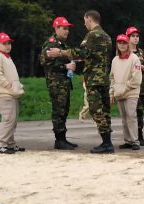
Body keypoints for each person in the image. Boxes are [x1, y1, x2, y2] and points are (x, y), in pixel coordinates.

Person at [47, 10, 114, 154]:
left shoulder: (92, 35)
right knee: (105, 110)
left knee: (96, 110)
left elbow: (82, 53)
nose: (84, 23)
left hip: (94, 79)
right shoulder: (107, 36)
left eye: (85, 20)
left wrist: (60, 53)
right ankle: (108, 141)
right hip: (104, 78)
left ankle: (106, 143)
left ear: (89, 19)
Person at [39, 17, 77, 150]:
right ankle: (59, 140)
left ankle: (63, 139)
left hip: (64, 82)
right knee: (59, 110)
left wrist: (70, 65)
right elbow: (45, 62)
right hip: (56, 83)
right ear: (56, 28)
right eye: (64, 28)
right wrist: (65, 67)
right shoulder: (51, 43)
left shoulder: (63, 45)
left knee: (64, 110)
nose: (67, 31)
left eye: (68, 29)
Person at [0, 32, 24, 154]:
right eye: (4, 43)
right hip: (4, 93)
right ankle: (1, 144)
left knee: (12, 120)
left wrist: (17, 85)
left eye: (8, 43)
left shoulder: (6, 56)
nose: (7, 46)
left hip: (10, 93)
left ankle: (10, 144)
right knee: (8, 119)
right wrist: (7, 85)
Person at [110, 34, 143, 150]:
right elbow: (112, 77)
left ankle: (135, 141)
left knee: (131, 116)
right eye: (120, 43)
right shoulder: (115, 60)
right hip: (119, 93)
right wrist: (112, 92)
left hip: (131, 93)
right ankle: (128, 140)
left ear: (128, 44)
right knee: (124, 118)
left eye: (124, 43)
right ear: (117, 45)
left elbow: (137, 79)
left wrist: (125, 88)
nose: (122, 45)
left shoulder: (134, 58)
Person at [126, 26, 144, 146]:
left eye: (137, 36)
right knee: (131, 113)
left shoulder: (141, 52)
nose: (135, 38)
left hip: (142, 86)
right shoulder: (125, 53)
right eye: (133, 36)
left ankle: (139, 136)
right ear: (128, 38)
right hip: (130, 87)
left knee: (140, 112)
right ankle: (131, 137)